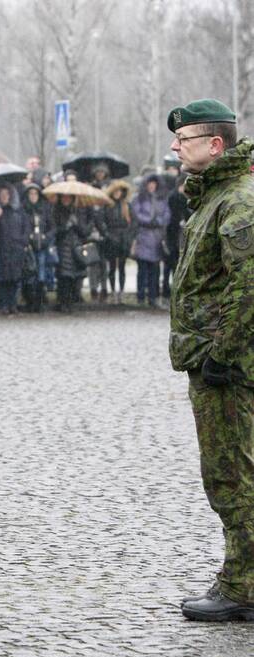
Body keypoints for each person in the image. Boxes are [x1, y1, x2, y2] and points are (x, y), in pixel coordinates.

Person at [166, 100, 254, 622]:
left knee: (231, 475)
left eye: (185, 139)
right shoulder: (215, 195)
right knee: (231, 472)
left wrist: (222, 352)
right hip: (214, 357)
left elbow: (247, 286)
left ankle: (242, 585)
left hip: (227, 362)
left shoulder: (238, 200)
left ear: (215, 145)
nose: (176, 148)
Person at [131, 175, 171, 308]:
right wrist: (148, 221)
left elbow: (167, 215)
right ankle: (141, 296)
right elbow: (136, 214)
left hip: (157, 238)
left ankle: (153, 297)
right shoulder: (139, 198)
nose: (151, 186)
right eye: (149, 183)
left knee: (155, 270)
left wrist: (158, 222)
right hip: (143, 236)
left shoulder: (162, 199)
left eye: (154, 183)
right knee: (142, 270)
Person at [0, 185, 30, 315]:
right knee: (2, 279)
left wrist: (23, 241)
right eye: (1, 195)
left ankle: (13, 304)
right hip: (1, 249)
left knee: (15, 278)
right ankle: (3, 304)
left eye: (6, 194)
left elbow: (26, 227)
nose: (4, 197)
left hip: (16, 249)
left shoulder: (18, 210)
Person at [22, 184, 55, 313]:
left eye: (35, 194)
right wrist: (28, 237)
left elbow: (52, 227)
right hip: (29, 246)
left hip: (42, 246)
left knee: (41, 274)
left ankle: (39, 302)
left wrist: (46, 237)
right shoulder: (24, 209)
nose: (33, 196)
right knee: (29, 274)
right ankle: (29, 301)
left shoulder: (45, 209)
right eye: (30, 194)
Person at [53, 194, 88, 313]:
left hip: (75, 248)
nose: (66, 199)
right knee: (64, 277)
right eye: (64, 197)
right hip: (63, 248)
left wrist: (76, 224)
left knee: (74, 277)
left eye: (68, 198)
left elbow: (84, 232)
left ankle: (70, 303)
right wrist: (66, 226)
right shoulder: (56, 212)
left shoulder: (78, 212)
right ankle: (63, 302)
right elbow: (55, 231)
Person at [102, 180, 134, 304]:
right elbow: (101, 220)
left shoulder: (126, 205)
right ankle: (113, 291)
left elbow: (133, 222)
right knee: (112, 267)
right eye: (115, 191)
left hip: (123, 239)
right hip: (111, 238)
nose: (117, 193)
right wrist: (106, 234)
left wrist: (129, 236)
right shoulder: (107, 205)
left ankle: (121, 292)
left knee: (121, 267)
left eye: (119, 191)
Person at [163, 174, 190, 299]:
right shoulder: (176, 198)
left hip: (175, 235)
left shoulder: (179, 198)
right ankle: (171, 290)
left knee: (172, 266)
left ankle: (171, 290)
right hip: (174, 236)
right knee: (172, 265)